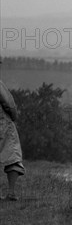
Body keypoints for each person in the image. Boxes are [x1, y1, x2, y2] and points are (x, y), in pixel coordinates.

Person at [0, 68, 25, 201]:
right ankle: (11, 192)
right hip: (2, 124)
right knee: (13, 156)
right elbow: (9, 103)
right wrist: (14, 117)